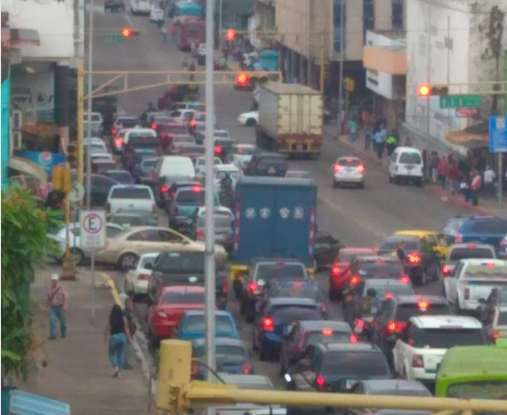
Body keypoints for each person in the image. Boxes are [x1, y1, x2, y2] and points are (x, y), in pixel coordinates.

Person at [104, 304, 132, 378]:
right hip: (122, 337)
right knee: (120, 355)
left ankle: (115, 367)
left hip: (113, 338)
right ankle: (119, 372)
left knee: (111, 354)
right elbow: (126, 329)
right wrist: (129, 338)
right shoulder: (123, 319)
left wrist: (105, 338)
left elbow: (107, 329)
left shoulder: (111, 319)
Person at [47, 273, 68, 340]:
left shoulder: (61, 287)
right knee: (52, 321)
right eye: (53, 280)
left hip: (60, 307)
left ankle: (63, 332)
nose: (54, 282)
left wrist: (65, 305)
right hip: (53, 307)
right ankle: (53, 335)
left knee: (63, 321)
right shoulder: (49, 288)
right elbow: (48, 297)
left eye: (55, 280)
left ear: (57, 280)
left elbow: (65, 296)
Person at [123, 298, 136, 370]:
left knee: (128, 348)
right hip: (126, 333)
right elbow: (126, 325)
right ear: (126, 304)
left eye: (131, 304)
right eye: (129, 304)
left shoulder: (130, 312)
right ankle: (125, 363)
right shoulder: (125, 313)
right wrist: (129, 335)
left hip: (130, 333)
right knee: (127, 349)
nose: (130, 305)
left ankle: (126, 362)